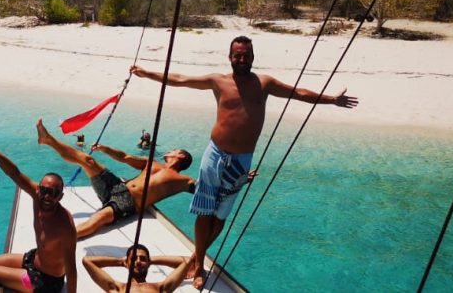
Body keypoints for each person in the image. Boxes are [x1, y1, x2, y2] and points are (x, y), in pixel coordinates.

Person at [130, 35, 359, 288]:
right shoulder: (219, 81)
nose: (241, 59)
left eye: (246, 55)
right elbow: (181, 80)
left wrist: (331, 100)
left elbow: (298, 92)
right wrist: (148, 73)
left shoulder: (264, 83)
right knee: (205, 211)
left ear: (252, 57)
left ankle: (196, 256)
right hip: (215, 155)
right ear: (230, 57)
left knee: (220, 215)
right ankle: (198, 265)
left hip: (241, 162)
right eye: (237, 55)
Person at [35, 119, 194, 239]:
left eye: (174, 150)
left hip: (128, 202)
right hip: (117, 186)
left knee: (98, 219)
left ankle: (61, 238)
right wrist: (104, 149)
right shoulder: (152, 163)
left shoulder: (183, 180)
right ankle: (48, 140)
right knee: (87, 160)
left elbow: (204, 189)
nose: (170, 150)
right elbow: (124, 157)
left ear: (180, 155)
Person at [0, 132, 78, 293]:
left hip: (46, 281)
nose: (46, 196)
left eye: (52, 193)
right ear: (38, 188)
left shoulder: (64, 226)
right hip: (33, 259)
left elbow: (71, 270)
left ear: (60, 196)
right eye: (43, 190)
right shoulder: (36, 195)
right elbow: (15, 173)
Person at [82, 245, 191, 293]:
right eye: (134, 259)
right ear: (127, 263)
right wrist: (121, 262)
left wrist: (151, 260)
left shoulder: (161, 288)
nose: (138, 261)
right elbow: (88, 261)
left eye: (142, 259)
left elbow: (186, 262)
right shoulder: (117, 288)